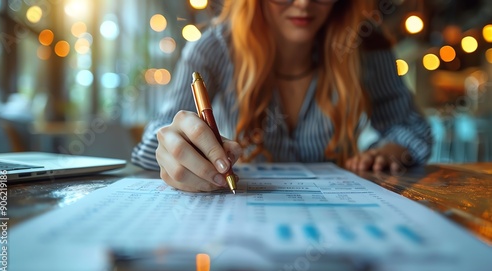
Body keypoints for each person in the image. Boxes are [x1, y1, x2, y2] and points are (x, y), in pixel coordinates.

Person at [132, 0, 433, 192]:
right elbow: (151, 147)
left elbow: (413, 128)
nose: (303, 4)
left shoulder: (366, 47)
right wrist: (175, 148)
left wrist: (392, 149)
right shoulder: (213, 49)